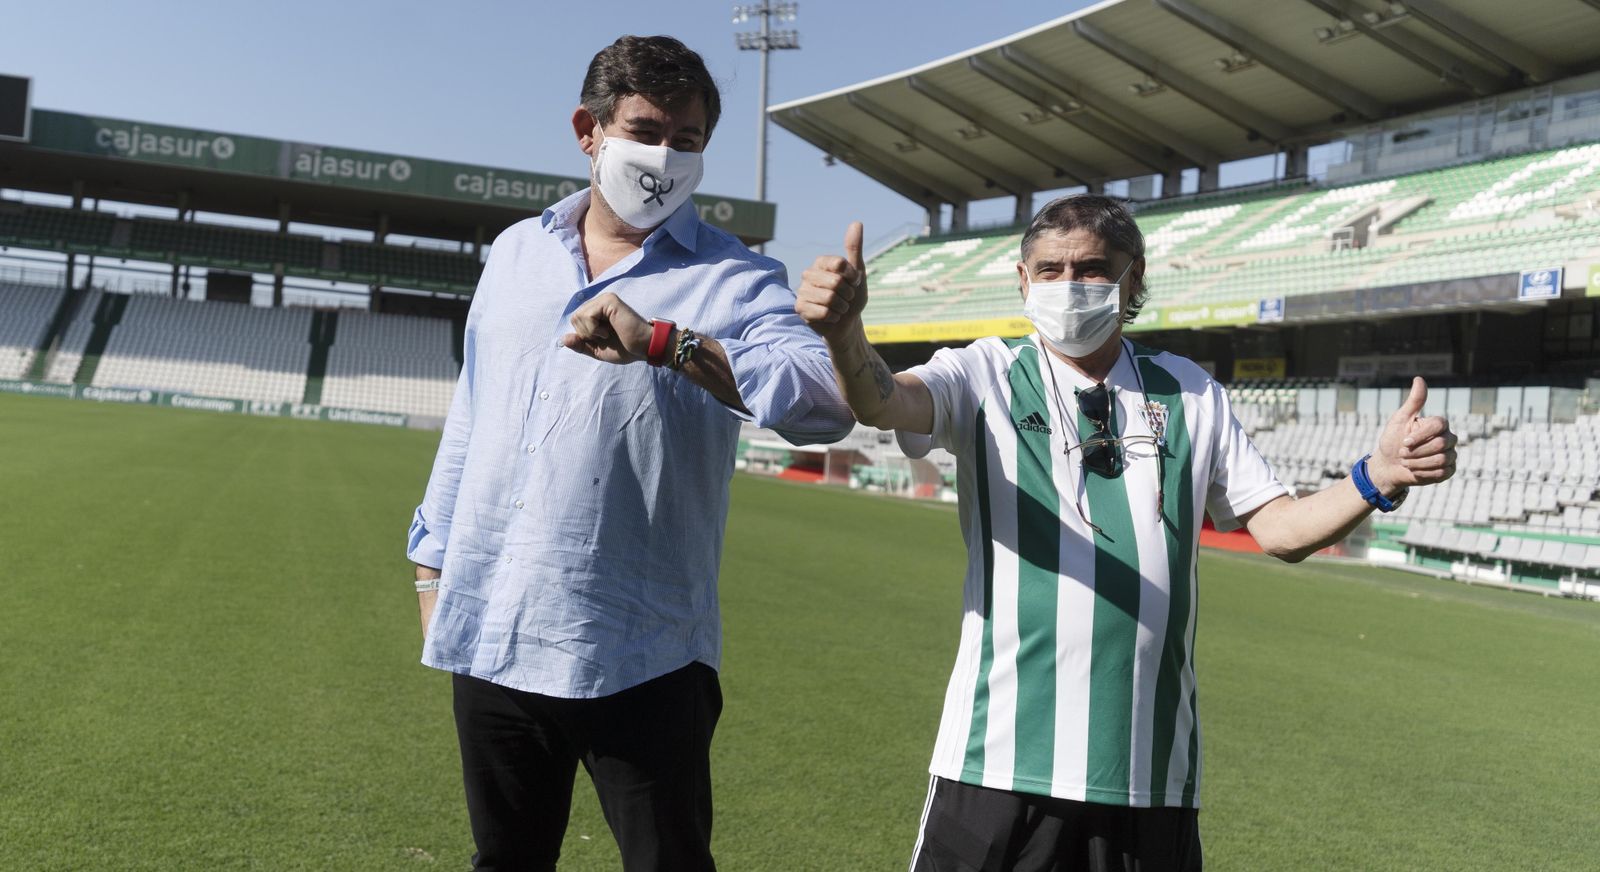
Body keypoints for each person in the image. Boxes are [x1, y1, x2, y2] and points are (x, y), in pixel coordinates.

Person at [795, 194, 1457, 872]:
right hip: (995, 760)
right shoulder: (985, 372)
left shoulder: (1190, 392)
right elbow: (884, 399)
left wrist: (1376, 477)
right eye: (1049, 270)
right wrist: (845, 336)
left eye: (1091, 268)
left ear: (1131, 280)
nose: (1069, 285)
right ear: (1023, 283)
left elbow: (1282, 530)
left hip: (1148, 776)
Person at [407, 35, 852, 872]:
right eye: (644, 131)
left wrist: (666, 342)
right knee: (504, 862)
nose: (662, 158)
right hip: (498, 632)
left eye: (686, 142)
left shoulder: (738, 277)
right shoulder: (515, 253)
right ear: (590, 129)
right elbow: (473, 414)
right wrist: (430, 565)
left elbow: (824, 404)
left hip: (645, 651)